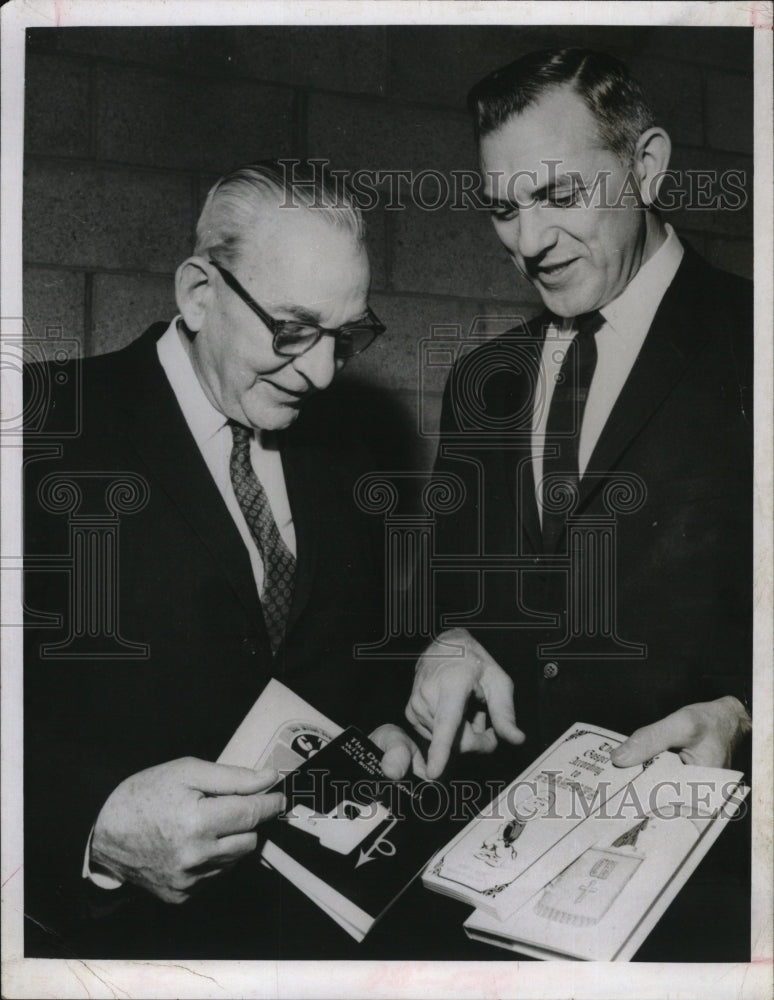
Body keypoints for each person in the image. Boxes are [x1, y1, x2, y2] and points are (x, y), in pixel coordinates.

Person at [23, 160, 422, 959]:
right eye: (293, 328)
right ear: (199, 293)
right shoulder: (39, 430)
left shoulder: (348, 455)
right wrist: (91, 833)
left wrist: (389, 721)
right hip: (102, 944)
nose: (319, 371)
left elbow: (356, 659)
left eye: (346, 337)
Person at [405, 49, 753, 784]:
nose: (529, 243)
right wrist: (446, 647)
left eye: (560, 195)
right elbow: (446, 605)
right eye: (505, 208)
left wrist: (742, 718)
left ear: (647, 165)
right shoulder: (481, 382)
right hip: (502, 844)